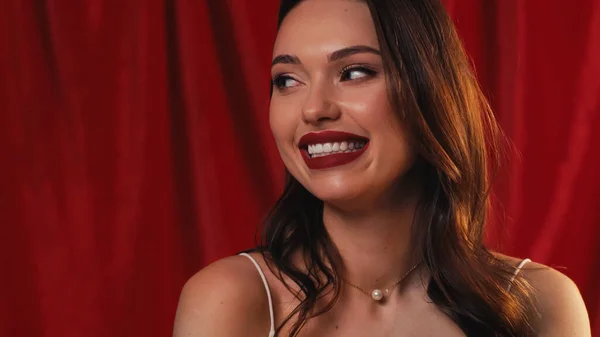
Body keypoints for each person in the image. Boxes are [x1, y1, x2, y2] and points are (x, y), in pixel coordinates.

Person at [173, 0, 591, 336]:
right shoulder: (231, 300)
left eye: (354, 72)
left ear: (430, 90)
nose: (314, 108)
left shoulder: (538, 304)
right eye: (287, 80)